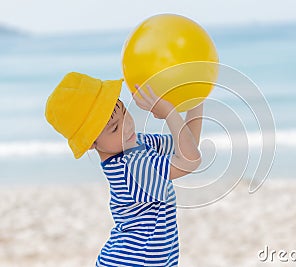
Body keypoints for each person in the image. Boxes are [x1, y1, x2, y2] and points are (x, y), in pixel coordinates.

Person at [45, 72, 203, 266]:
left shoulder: (135, 143)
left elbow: (189, 144)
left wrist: (197, 96)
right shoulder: (132, 167)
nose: (127, 126)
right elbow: (190, 161)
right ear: (91, 144)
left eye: (124, 112)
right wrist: (169, 113)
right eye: (114, 128)